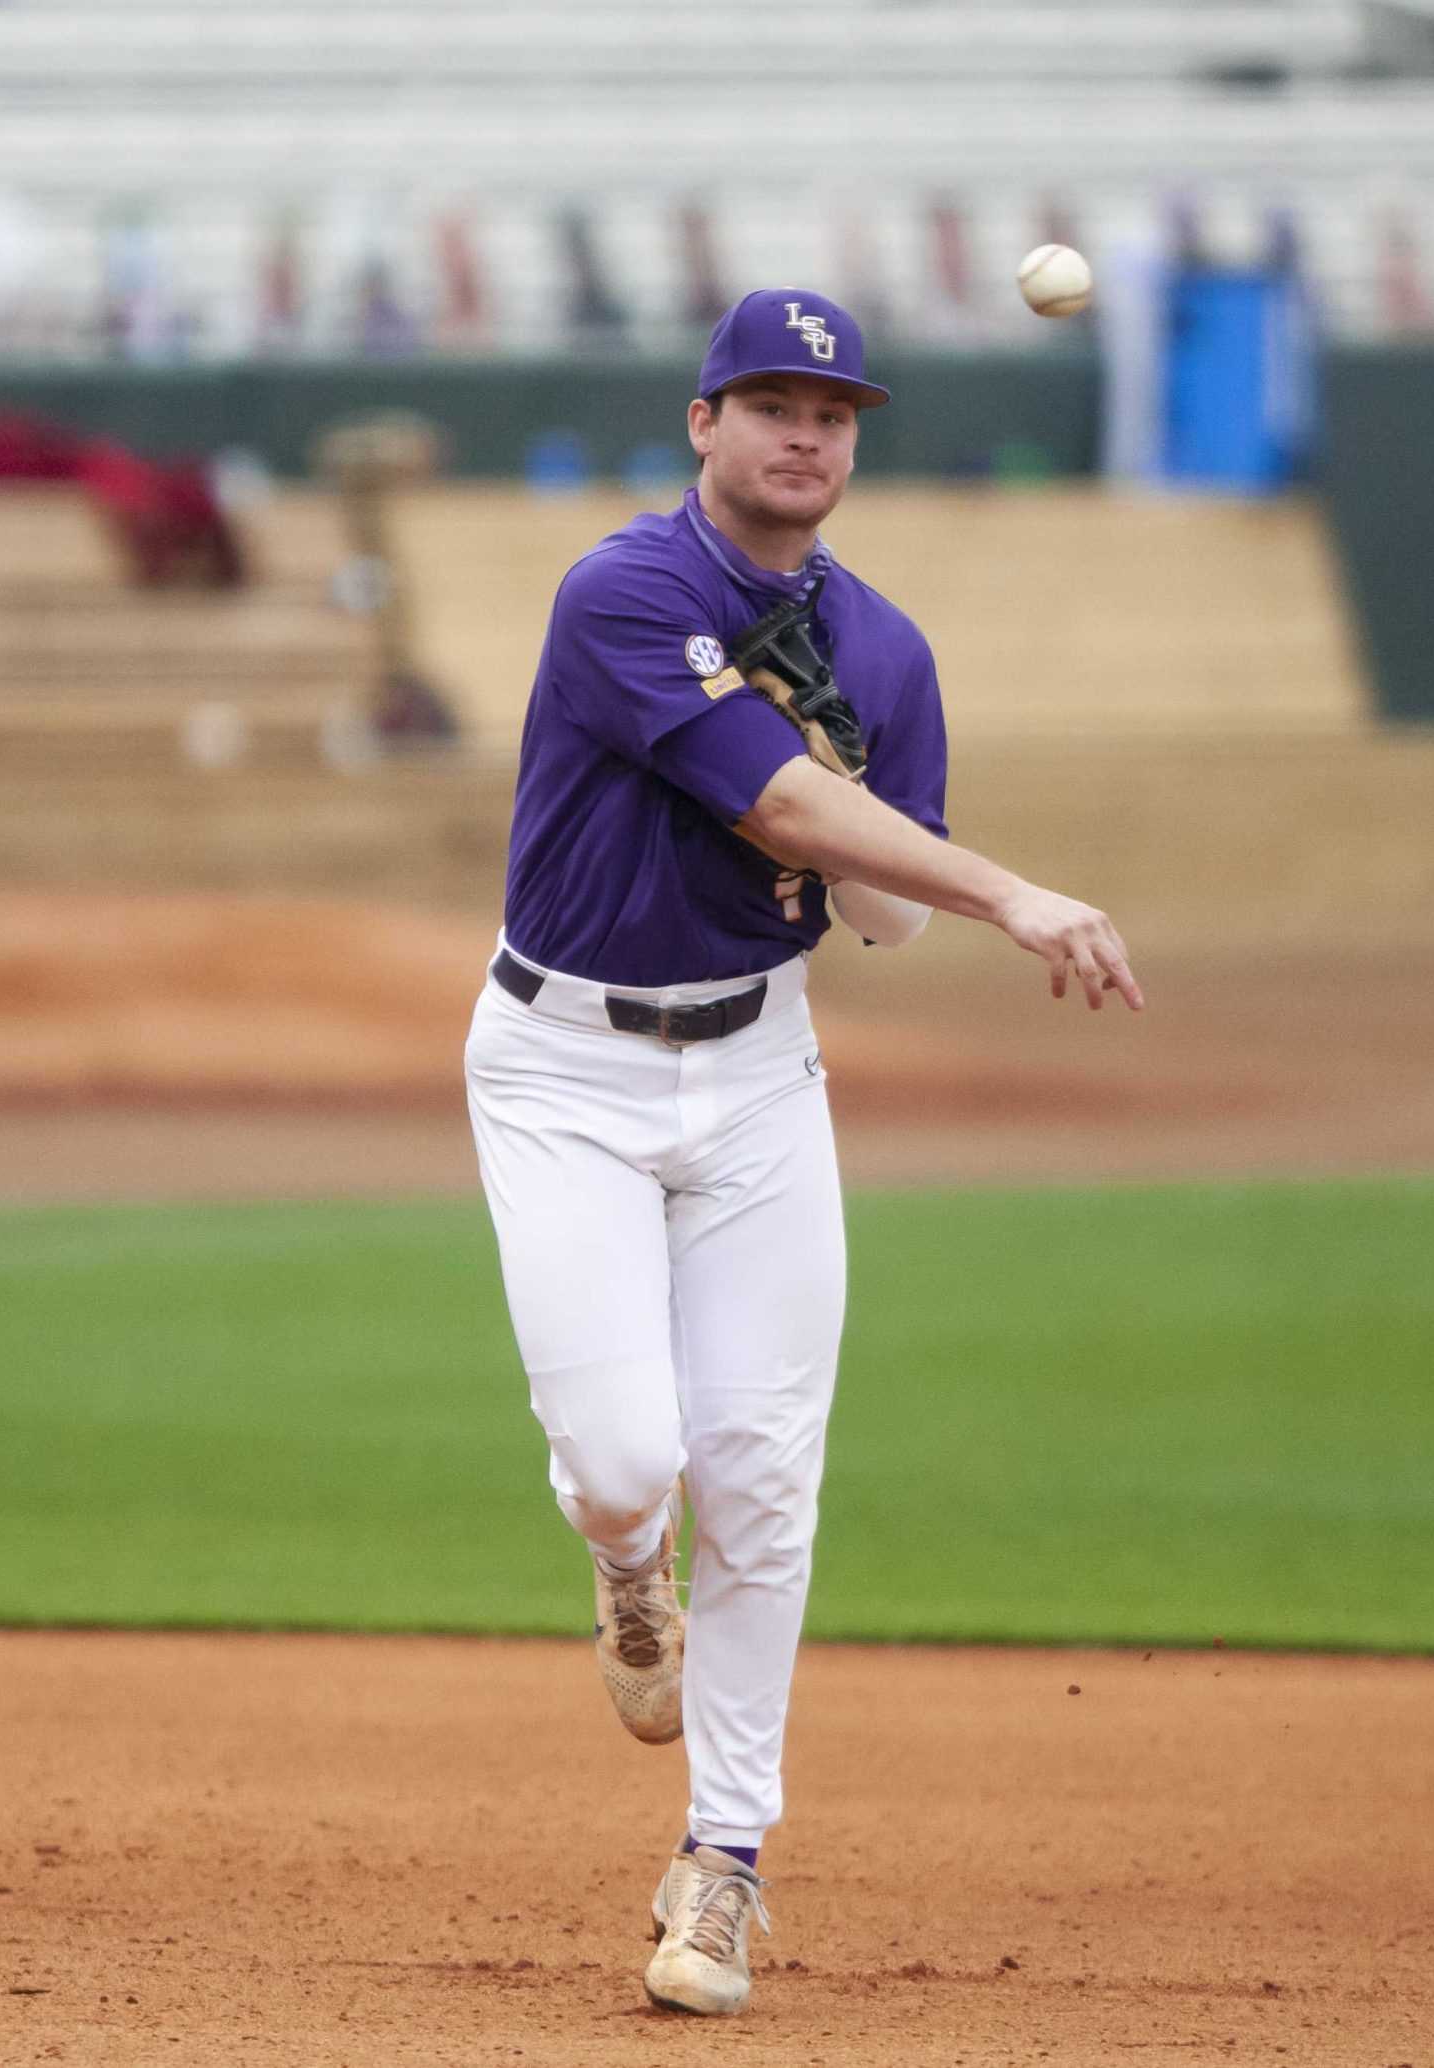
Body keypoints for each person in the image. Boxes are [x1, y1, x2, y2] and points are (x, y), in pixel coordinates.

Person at [461, 287, 1142, 2019]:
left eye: (834, 410)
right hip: (563, 1068)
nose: (806, 433)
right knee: (627, 1458)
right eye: (769, 400)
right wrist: (1001, 885)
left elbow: (865, 918)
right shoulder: (627, 590)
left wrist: (882, 856)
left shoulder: (887, 653)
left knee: (763, 1476)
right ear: (702, 423)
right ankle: (625, 1565)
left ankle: (725, 1867)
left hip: (758, 1076)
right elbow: (769, 803)